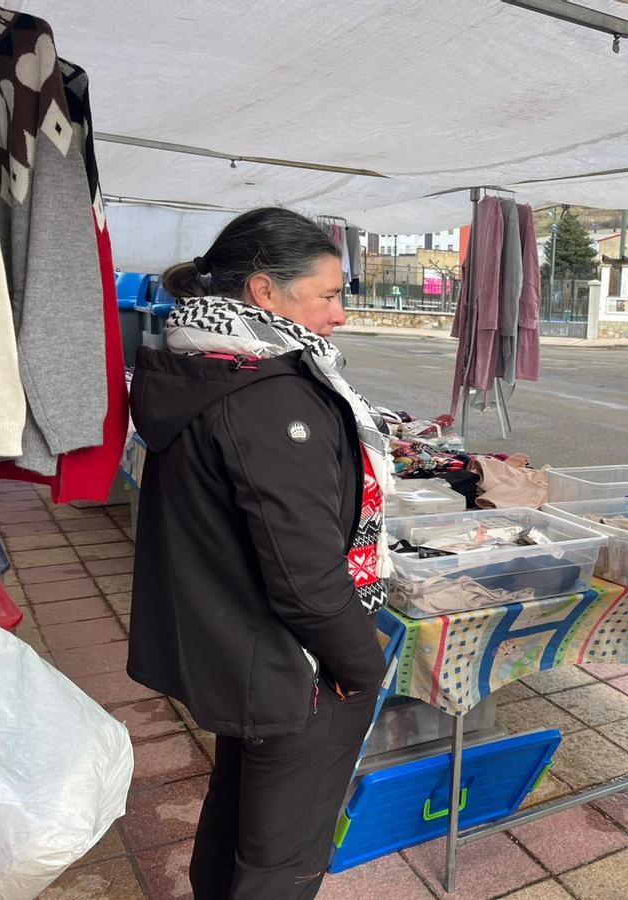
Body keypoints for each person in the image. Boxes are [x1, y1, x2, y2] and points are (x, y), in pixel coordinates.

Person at [127, 208, 389, 899]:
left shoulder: (208, 366)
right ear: (266, 292)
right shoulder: (267, 397)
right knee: (283, 858)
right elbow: (304, 578)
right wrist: (364, 664)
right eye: (329, 295)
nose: (340, 314)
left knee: (238, 823)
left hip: (245, 652)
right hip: (293, 665)